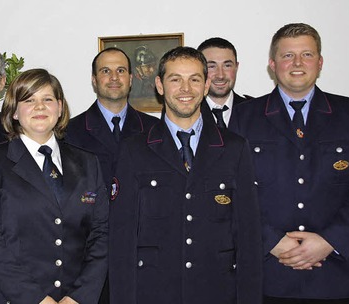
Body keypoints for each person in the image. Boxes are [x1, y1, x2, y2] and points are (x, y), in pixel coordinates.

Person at [230, 23, 349, 304]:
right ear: (272, 65)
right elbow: (233, 190)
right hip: (269, 273)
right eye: (287, 56)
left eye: (307, 55)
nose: (297, 63)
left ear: (320, 62)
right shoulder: (244, 117)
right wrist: (271, 241)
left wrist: (329, 241)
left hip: (338, 276)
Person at [109, 46, 262, 304]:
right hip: (154, 294)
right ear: (159, 85)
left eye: (194, 79)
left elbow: (249, 238)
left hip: (217, 292)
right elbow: (121, 241)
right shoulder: (134, 150)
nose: (185, 89)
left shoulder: (235, 148)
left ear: (206, 86)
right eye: (175, 79)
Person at [0, 68, 108, 304]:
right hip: (13, 298)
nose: (40, 107)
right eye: (29, 100)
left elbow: (101, 234)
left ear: (60, 107)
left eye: (47, 99)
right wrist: (36, 299)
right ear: (13, 111)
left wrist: (78, 296)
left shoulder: (88, 163)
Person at [65, 47, 160, 186]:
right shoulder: (70, 131)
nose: (114, 77)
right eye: (105, 71)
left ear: (131, 79)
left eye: (121, 70)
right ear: (94, 80)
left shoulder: (154, 129)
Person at [197, 37, 248, 129]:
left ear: (236, 67)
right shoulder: (187, 112)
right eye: (212, 66)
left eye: (227, 66)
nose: (220, 75)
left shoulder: (255, 110)